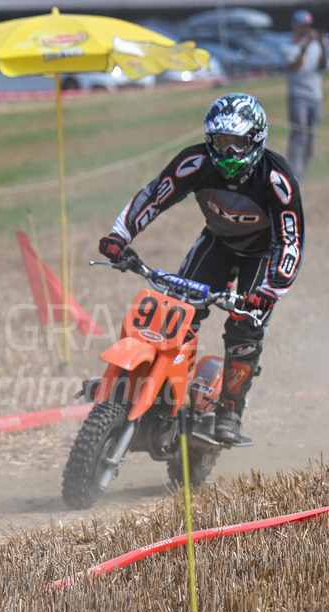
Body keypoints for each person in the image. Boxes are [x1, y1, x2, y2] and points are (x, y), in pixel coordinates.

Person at [98, 93, 304, 444]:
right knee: (175, 313)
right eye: (221, 142)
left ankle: (229, 412)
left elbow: (290, 242)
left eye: (236, 143)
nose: (227, 153)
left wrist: (270, 290)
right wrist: (121, 235)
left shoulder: (276, 179)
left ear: (255, 140)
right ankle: (168, 393)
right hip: (218, 243)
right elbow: (154, 196)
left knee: (244, 330)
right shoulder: (195, 162)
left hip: (263, 254)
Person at [282, 8, 327, 182]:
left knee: (310, 139)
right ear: (295, 26)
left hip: (315, 96)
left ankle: (303, 174)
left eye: (308, 25)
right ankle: (293, 174)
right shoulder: (288, 47)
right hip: (298, 97)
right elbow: (295, 68)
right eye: (302, 25)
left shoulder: (316, 45)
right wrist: (305, 46)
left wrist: (322, 48)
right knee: (299, 136)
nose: (306, 29)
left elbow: (322, 67)